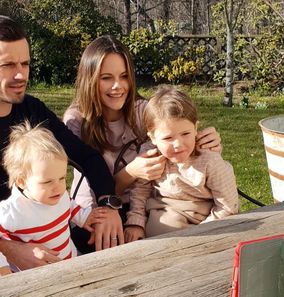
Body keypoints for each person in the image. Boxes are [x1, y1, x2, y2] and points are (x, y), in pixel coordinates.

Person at [0, 15, 121, 280]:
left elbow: (87, 157)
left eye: (25, 63)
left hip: (44, 233)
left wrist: (107, 206)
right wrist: (7, 250)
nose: (21, 74)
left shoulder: (32, 110)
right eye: (7, 64)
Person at [63, 35, 222, 248]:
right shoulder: (77, 120)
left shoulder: (143, 111)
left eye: (124, 76)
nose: (117, 86)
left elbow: (178, 137)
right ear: (89, 79)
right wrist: (132, 172)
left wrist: (204, 142)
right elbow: (92, 186)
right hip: (95, 207)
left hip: (144, 203)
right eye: (106, 78)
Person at [0, 122, 107, 279]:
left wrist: (83, 217)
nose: (59, 187)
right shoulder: (15, 210)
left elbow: (68, 205)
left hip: (69, 264)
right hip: (34, 278)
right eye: (47, 182)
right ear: (21, 181)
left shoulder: (57, 195)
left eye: (62, 178)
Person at [124, 85, 239, 242]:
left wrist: (204, 232)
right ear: (152, 137)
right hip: (163, 209)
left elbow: (228, 206)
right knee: (160, 228)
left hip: (203, 215)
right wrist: (135, 222)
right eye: (168, 138)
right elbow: (140, 190)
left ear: (195, 128)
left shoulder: (209, 160)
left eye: (185, 134)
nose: (178, 144)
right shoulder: (151, 155)